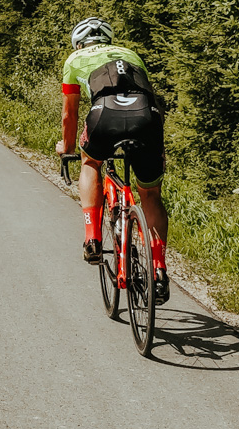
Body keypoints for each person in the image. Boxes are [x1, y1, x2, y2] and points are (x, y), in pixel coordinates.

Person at [56, 17, 170, 302]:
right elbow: (150, 97)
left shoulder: (75, 59)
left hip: (104, 115)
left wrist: (66, 147)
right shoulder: (131, 55)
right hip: (147, 118)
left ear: (80, 43)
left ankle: (92, 238)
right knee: (151, 194)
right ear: (108, 40)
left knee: (91, 162)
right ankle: (158, 271)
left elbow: (70, 113)